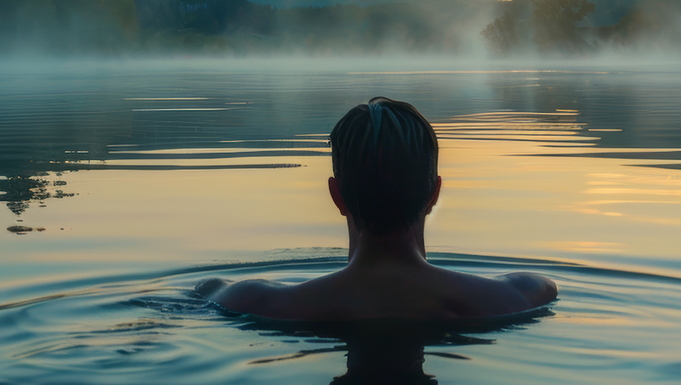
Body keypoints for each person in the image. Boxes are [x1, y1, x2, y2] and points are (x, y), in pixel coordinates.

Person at [194, 97, 557, 320]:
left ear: (337, 196)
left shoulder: (261, 302)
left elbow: (209, 288)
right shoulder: (513, 298)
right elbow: (542, 286)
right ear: (434, 193)